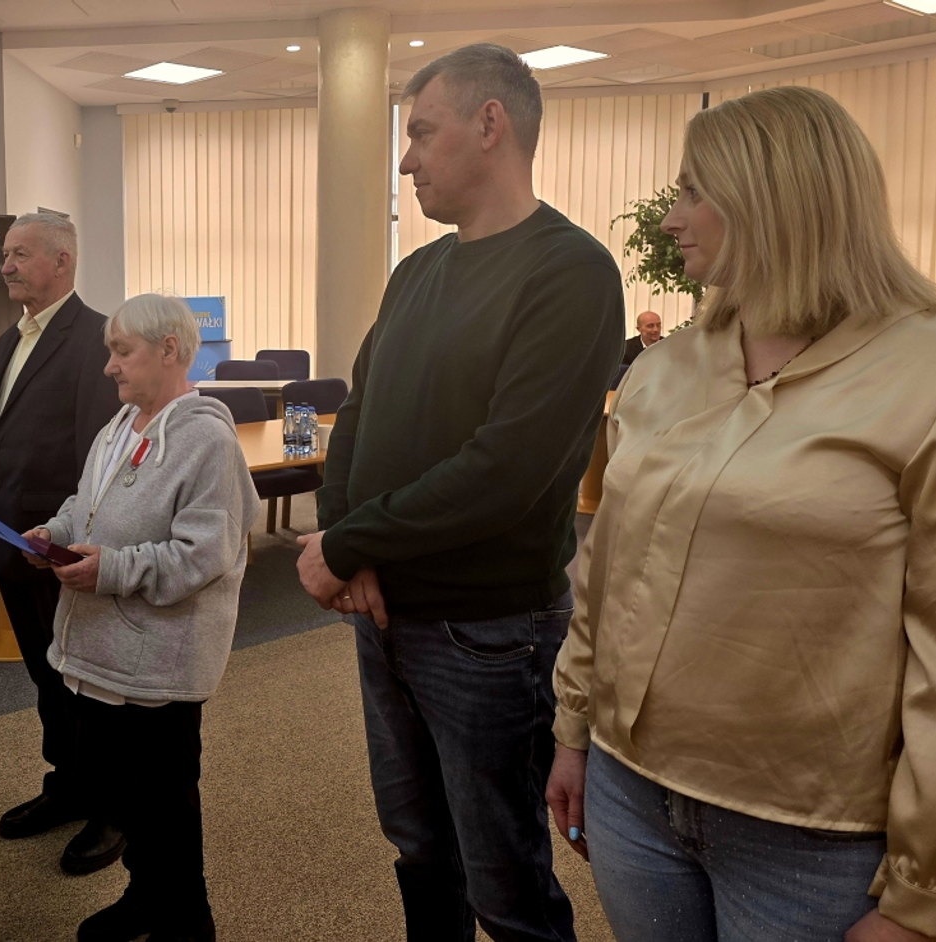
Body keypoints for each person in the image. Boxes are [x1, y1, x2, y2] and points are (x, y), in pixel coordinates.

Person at [546, 86, 936, 942]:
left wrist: (928, 897)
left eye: (692, 192)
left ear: (774, 197)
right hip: (631, 793)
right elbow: (606, 571)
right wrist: (574, 729)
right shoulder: (665, 370)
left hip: (811, 837)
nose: (670, 219)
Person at [297, 43, 625, 941]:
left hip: (487, 633)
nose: (405, 162)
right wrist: (345, 544)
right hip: (385, 613)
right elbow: (356, 417)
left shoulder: (571, 271)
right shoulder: (417, 272)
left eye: (420, 134)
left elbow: (506, 471)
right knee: (418, 846)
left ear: (490, 124)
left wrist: (349, 545)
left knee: (503, 879)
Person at [21, 293, 261, 942]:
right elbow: (86, 504)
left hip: (159, 663)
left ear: (169, 350)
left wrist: (112, 569)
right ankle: (145, 898)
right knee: (126, 797)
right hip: (103, 651)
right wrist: (56, 533)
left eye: (121, 351)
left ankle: (187, 922)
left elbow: (203, 555)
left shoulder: (207, 440)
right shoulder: (120, 424)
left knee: (164, 804)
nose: (109, 366)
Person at [0, 212, 124, 873]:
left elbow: (99, 459)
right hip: (11, 537)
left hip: (60, 547)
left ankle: (114, 806)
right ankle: (68, 785)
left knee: (87, 682)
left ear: (62, 261)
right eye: (5, 254)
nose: (5, 266)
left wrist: (77, 545)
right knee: (47, 677)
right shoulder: (10, 339)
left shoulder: (96, 338)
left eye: (20, 254)